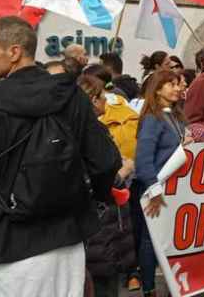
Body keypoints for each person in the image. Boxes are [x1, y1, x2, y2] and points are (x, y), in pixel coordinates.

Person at [0, 16, 120, 297]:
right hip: (66, 247)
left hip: (3, 248)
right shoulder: (74, 96)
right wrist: (81, 197)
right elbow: (105, 162)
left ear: (14, 52)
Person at [77, 74, 138, 296]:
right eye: (103, 96)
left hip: (105, 224)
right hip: (101, 225)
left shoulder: (87, 129)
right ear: (92, 100)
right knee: (103, 285)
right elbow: (99, 177)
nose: (107, 100)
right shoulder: (90, 132)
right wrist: (124, 169)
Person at [134, 71, 189, 296]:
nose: (177, 88)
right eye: (171, 84)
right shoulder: (152, 119)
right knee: (151, 240)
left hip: (173, 187)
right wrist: (153, 189)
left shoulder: (175, 116)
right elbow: (143, 159)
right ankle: (149, 288)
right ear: (157, 89)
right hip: (156, 188)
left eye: (177, 84)